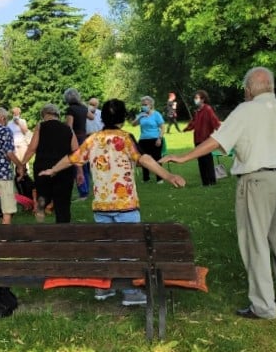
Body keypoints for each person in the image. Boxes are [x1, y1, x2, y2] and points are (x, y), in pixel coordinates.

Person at [164, 67, 276, 320]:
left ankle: (264, 306)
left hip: (256, 180)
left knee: (255, 242)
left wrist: (183, 157)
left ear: (248, 89)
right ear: (271, 86)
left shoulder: (245, 111)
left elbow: (217, 141)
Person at [40, 99, 186, 306]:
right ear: (122, 118)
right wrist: (168, 176)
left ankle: (103, 287)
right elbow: (144, 159)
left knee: (105, 248)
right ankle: (130, 292)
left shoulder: (93, 140)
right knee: (129, 249)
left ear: (102, 118)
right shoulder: (126, 139)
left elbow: (73, 157)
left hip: (101, 205)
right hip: (125, 204)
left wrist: (53, 169)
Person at [21, 103, 80, 223]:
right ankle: (63, 232)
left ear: (44, 115)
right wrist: (80, 172)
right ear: (57, 115)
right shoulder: (68, 128)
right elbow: (76, 151)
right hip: (65, 170)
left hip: (43, 168)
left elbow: (32, 148)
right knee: (63, 204)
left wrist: (22, 164)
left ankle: (42, 225)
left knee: (43, 198)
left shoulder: (41, 126)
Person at [183, 90, 221, 186]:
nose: (195, 100)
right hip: (197, 139)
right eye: (195, 98)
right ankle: (205, 182)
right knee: (201, 161)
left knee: (207, 161)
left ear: (203, 99)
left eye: (197, 98)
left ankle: (212, 181)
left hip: (206, 139)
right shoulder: (197, 111)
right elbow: (193, 123)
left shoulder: (207, 109)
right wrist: (186, 128)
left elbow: (215, 121)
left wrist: (220, 131)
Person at [64, 88, 94, 200]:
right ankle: (86, 190)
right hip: (85, 138)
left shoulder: (70, 110)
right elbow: (92, 117)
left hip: (76, 139)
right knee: (85, 165)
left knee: (77, 165)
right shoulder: (83, 108)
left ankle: (83, 192)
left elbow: (69, 127)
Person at [131, 95, 166, 183]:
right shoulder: (141, 115)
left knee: (157, 158)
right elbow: (133, 124)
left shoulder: (156, 114)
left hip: (155, 139)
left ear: (150, 105)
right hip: (143, 140)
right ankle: (146, 178)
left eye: (145, 104)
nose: (144, 106)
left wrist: (159, 138)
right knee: (144, 159)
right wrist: (139, 116)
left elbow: (162, 127)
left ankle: (160, 178)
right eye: (142, 104)